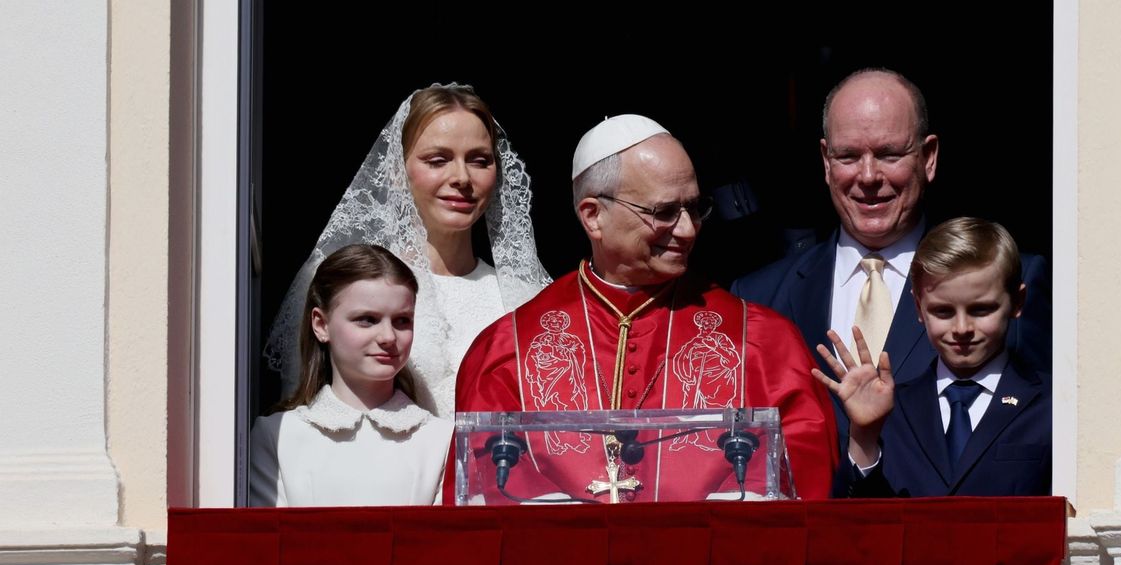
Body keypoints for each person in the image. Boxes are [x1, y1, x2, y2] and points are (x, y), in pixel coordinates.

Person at [446, 115, 838, 504]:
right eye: (663, 212)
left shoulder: (763, 343)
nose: (687, 230)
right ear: (593, 216)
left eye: (695, 207)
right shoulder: (509, 351)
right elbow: (479, 510)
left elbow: (803, 487)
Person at [730, 68, 1051, 443]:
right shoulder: (758, 297)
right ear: (825, 162)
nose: (868, 176)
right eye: (848, 156)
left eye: (888, 154)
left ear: (928, 158)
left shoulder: (1009, 282)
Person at [265, 84, 551, 418]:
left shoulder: (526, 297)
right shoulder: (344, 282)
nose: (461, 177)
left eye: (479, 160)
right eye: (438, 160)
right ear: (397, 173)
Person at [813, 218, 1051, 497]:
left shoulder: (1052, 406)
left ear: (1017, 302)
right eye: (943, 312)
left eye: (981, 310)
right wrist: (864, 437)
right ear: (918, 307)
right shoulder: (890, 410)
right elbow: (855, 527)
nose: (962, 328)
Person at [249, 244, 451, 506]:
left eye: (402, 321)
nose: (388, 337)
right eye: (367, 319)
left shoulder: (441, 441)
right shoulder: (277, 436)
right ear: (321, 325)